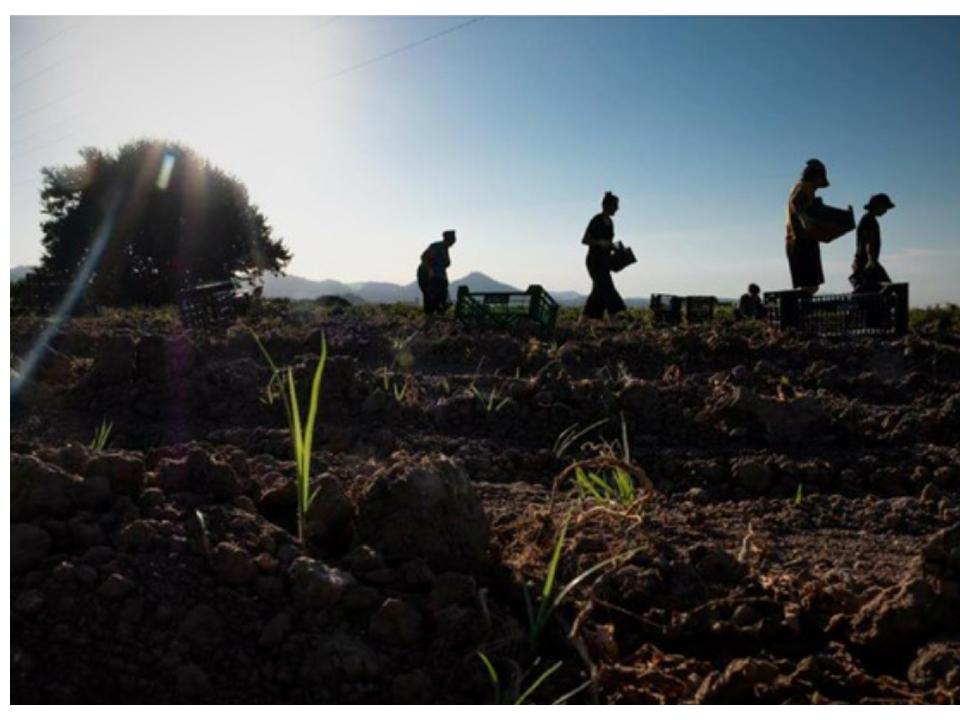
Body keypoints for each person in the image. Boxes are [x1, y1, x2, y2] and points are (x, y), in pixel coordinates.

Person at [785, 159, 830, 293]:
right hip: (800, 241)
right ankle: (799, 309)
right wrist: (804, 219)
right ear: (815, 177)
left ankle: (802, 307)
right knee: (809, 285)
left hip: (804, 240)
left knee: (811, 285)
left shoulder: (804, 188)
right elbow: (795, 202)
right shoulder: (804, 187)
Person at [581, 191, 627, 321]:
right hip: (594, 261)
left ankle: (588, 319)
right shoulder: (596, 220)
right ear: (607, 206)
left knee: (598, 292)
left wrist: (613, 247)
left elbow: (608, 242)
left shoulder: (610, 222)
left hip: (605, 261)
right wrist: (599, 242)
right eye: (615, 205)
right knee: (607, 287)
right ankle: (619, 315)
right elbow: (585, 240)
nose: (617, 208)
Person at [850, 193, 894, 293]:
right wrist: (871, 260)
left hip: (864, 262)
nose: (886, 211)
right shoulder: (869, 220)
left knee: (872, 292)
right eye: (885, 207)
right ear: (878, 206)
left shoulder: (868, 219)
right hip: (866, 263)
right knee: (885, 289)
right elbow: (868, 241)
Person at [418, 230, 456, 315]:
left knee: (442, 294)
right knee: (430, 295)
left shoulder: (445, 249)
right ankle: (430, 317)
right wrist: (430, 270)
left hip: (439, 275)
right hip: (426, 273)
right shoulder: (436, 246)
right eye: (452, 240)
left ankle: (439, 314)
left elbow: (444, 265)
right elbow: (424, 257)